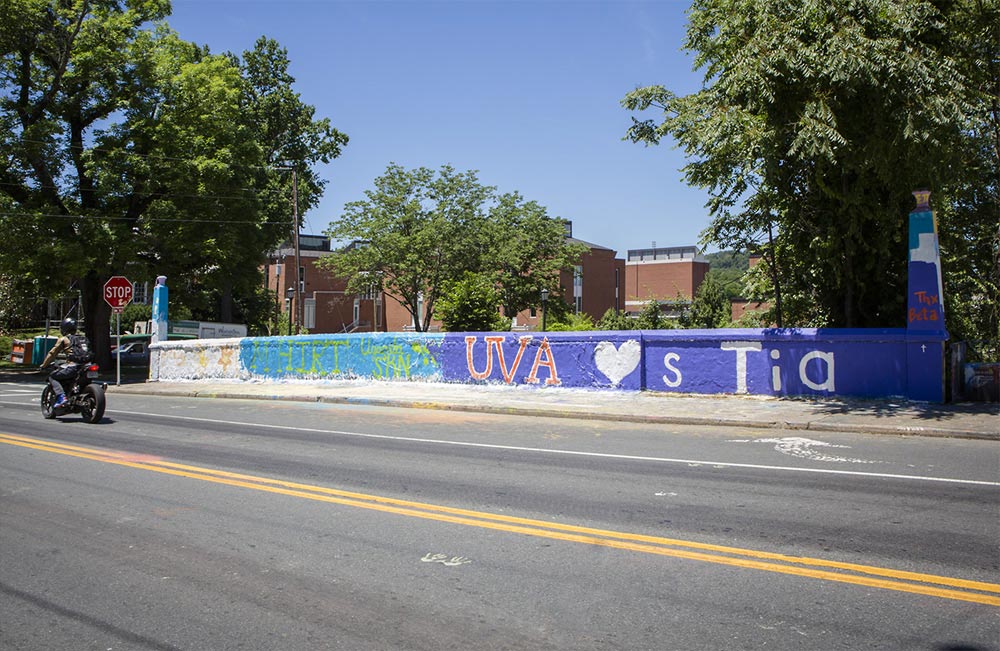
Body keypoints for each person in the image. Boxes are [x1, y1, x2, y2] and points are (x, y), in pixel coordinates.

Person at [41, 318, 91, 408]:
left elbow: (52, 353)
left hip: (74, 367)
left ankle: (61, 397)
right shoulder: (83, 338)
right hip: (87, 365)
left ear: (64, 328)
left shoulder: (64, 339)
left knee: (52, 377)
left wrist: (44, 365)